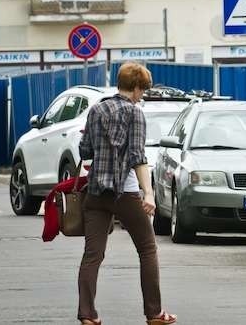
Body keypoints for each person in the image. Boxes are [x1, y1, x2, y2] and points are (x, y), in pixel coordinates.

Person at [77, 62, 176, 325]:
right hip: (125, 192)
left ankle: (87, 315)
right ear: (134, 88)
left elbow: (84, 151)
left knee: (92, 255)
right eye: (142, 89)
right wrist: (149, 194)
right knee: (147, 249)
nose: (142, 94)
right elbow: (137, 157)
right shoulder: (135, 113)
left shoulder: (96, 109)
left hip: (96, 192)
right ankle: (154, 313)